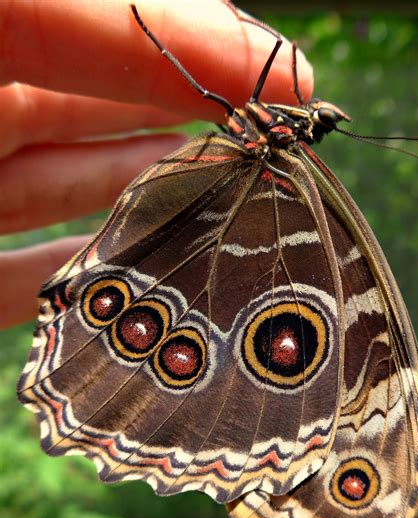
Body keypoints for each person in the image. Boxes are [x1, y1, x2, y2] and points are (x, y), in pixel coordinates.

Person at [0, 0, 312, 329]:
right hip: (220, 171)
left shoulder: (275, 147)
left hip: (215, 185)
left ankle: (156, 42)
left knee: (213, 93)